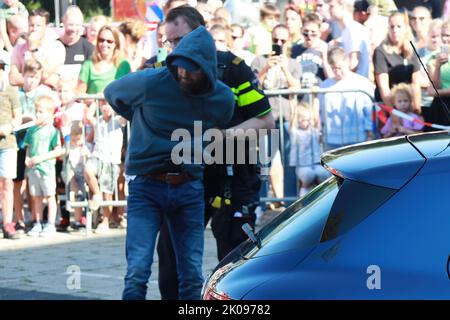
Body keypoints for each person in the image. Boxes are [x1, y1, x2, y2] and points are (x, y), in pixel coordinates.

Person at [142, 5, 273, 299]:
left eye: (179, 40)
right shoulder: (161, 72)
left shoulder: (232, 66)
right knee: (172, 259)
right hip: (183, 177)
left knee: (234, 262)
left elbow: (265, 120)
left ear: (201, 34)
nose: (174, 49)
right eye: (169, 42)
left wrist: (219, 139)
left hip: (232, 174)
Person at [104, 24, 234, 299]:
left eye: (191, 68)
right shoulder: (153, 81)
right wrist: (141, 122)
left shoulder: (221, 96)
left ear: (207, 68)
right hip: (147, 186)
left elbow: (219, 122)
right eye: (180, 66)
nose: (183, 73)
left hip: (188, 186)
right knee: (137, 272)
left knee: (191, 274)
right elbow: (112, 92)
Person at [319, 47, 374, 150]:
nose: (337, 72)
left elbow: (369, 111)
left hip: (357, 138)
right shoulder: (325, 85)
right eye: (333, 68)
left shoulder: (362, 83)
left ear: (347, 61)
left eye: (340, 68)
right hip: (331, 139)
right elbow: (320, 112)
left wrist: (370, 132)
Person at [83, 101, 126, 233]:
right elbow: (88, 116)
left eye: (109, 104)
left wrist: (115, 103)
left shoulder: (118, 120)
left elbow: (125, 116)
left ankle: (106, 221)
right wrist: (96, 100)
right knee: (88, 170)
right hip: (97, 157)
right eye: (103, 104)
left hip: (112, 160)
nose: (106, 107)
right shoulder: (98, 121)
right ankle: (97, 194)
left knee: (108, 192)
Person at [24, 95, 64, 237]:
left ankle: (50, 224)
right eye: (36, 111)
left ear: (49, 114)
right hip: (33, 170)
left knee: (50, 196)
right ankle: (38, 223)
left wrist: (41, 158)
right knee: (37, 197)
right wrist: (28, 158)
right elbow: (28, 147)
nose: (37, 114)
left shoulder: (53, 131)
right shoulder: (31, 130)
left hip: (46, 169)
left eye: (41, 112)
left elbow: (58, 150)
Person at [373, 11, 422, 114]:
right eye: (392, 27)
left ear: (405, 28)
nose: (395, 30)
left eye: (399, 26)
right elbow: (383, 86)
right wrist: (393, 113)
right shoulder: (380, 51)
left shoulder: (411, 49)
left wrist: (417, 109)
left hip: (407, 105)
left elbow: (415, 83)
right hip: (387, 105)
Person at [0, 57, 21, 239]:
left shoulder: (10, 91)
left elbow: (18, 116)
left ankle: (7, 222)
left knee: (7, 182)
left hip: (7, 143)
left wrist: (10, 126)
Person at [289, 102, 329, 197]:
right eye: (304, 120)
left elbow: (316, 117)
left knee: (323, 173)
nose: (308, 122)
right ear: (298, 120)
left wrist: (314, 96)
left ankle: (322, 197)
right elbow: (292, 116)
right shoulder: (295, 132)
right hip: (302, 165)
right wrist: (292, 98)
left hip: (315, 163)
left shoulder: (314, 131)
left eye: (309, 119)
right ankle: (303, 199)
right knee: (308, 175)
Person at [61, 120, 90, 229]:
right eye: (73, 139)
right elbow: (65, 153)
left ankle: (78, 219)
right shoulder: (69, 146)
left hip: (82, 174)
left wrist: (86, 153)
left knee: (81, 196)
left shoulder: (84, 147)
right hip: (72, 173)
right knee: (72, 180)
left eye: (78, 139)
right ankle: (73, 193)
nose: (76, 142)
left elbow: (88, 155)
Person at [58, 5, 94, 78]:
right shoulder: (54, 46)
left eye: (77, 25)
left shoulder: (88, 48)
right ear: (63, 22)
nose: (74, 29)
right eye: (70, 25)